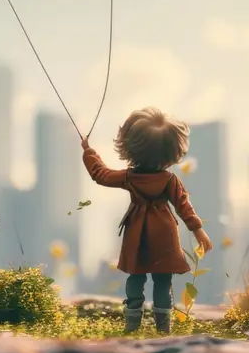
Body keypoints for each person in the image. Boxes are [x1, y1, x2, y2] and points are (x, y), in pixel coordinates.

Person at [81, 107, 212, 334]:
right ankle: (164, 329)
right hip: (165, 233)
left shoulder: (128, 177)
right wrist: (199, 230)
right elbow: (184, 207)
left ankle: (131, 327)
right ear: (173, 149)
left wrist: (88, 151)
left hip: (137, 232)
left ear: (130, 146)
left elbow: (100, 174)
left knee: (136, 276)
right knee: (163, 280)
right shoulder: (170, 180)